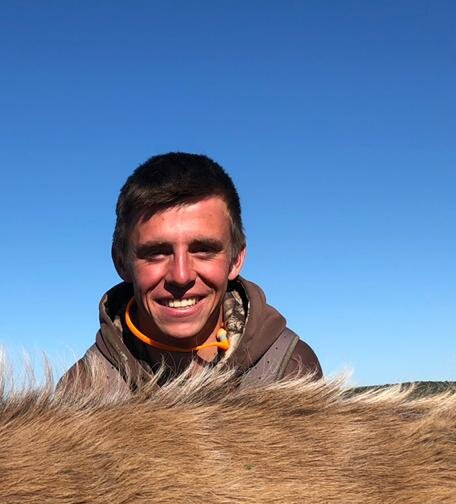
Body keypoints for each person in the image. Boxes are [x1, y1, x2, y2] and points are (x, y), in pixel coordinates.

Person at [59, 152, 321, 394]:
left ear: (236, 259)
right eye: (156, 253)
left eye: (204, 250)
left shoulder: (291, 369)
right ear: (121, 263)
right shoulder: (83, 390)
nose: (181, 276)